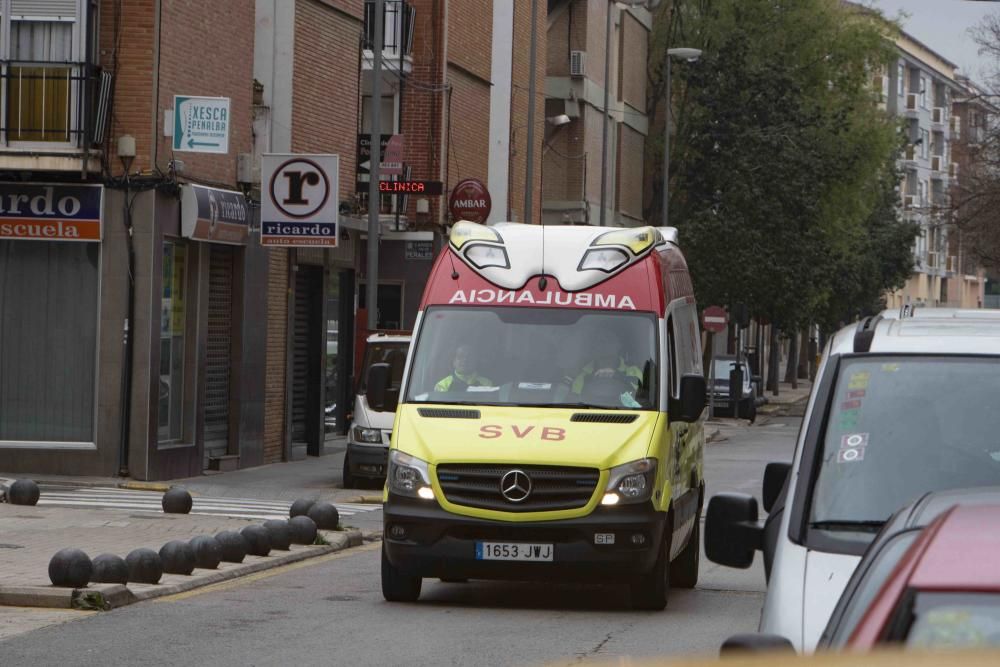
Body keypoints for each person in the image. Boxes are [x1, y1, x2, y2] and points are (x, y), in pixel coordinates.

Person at [570, 331, 644, 406]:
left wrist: (618, 376)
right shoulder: (583, 376)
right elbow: (573, 403)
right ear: (594, 347)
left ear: (619, 345)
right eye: (600, 341)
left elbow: (642, 398)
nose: (604, 346)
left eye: (609, 340)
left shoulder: (633, 371)